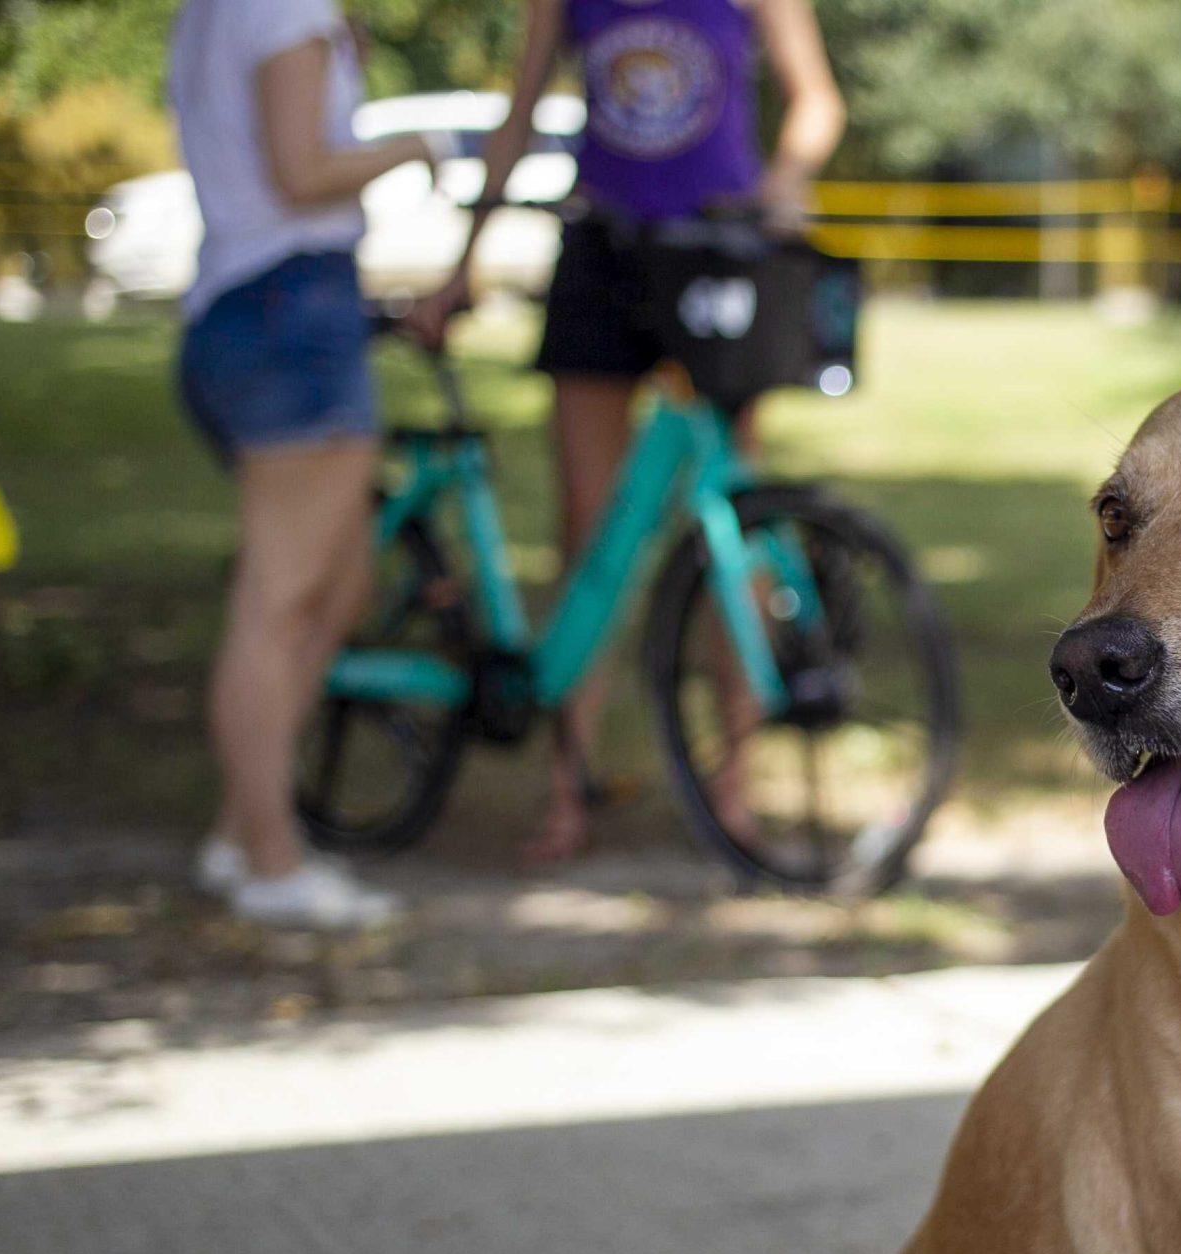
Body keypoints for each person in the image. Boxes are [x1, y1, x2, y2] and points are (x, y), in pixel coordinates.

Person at [409, 0, 846, 864]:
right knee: (590, 529)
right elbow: (521, 109)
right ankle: (566, 791)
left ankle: (734, 791)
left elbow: (817, 102)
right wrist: (461, 266)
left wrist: (783, 181)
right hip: (601, 256)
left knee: (737, 531)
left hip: (715, 254)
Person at [171, 0, 443, 928]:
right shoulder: (282, 6)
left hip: (265, 304)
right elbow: (301, 174)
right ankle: (271, 861)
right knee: (282, 602)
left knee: (335, 587)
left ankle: (243, 829)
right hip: (288, 309)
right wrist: (416, 147)